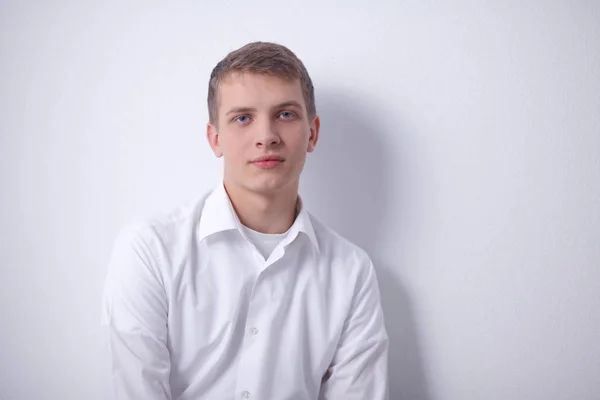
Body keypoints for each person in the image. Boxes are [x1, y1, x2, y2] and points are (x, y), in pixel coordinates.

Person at [102, 41, 389, 400]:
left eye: (285, 114)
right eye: (243, 118)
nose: (266, 136)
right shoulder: (150, 251)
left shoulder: (351, 272)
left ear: (312, 133)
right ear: (215, 138)